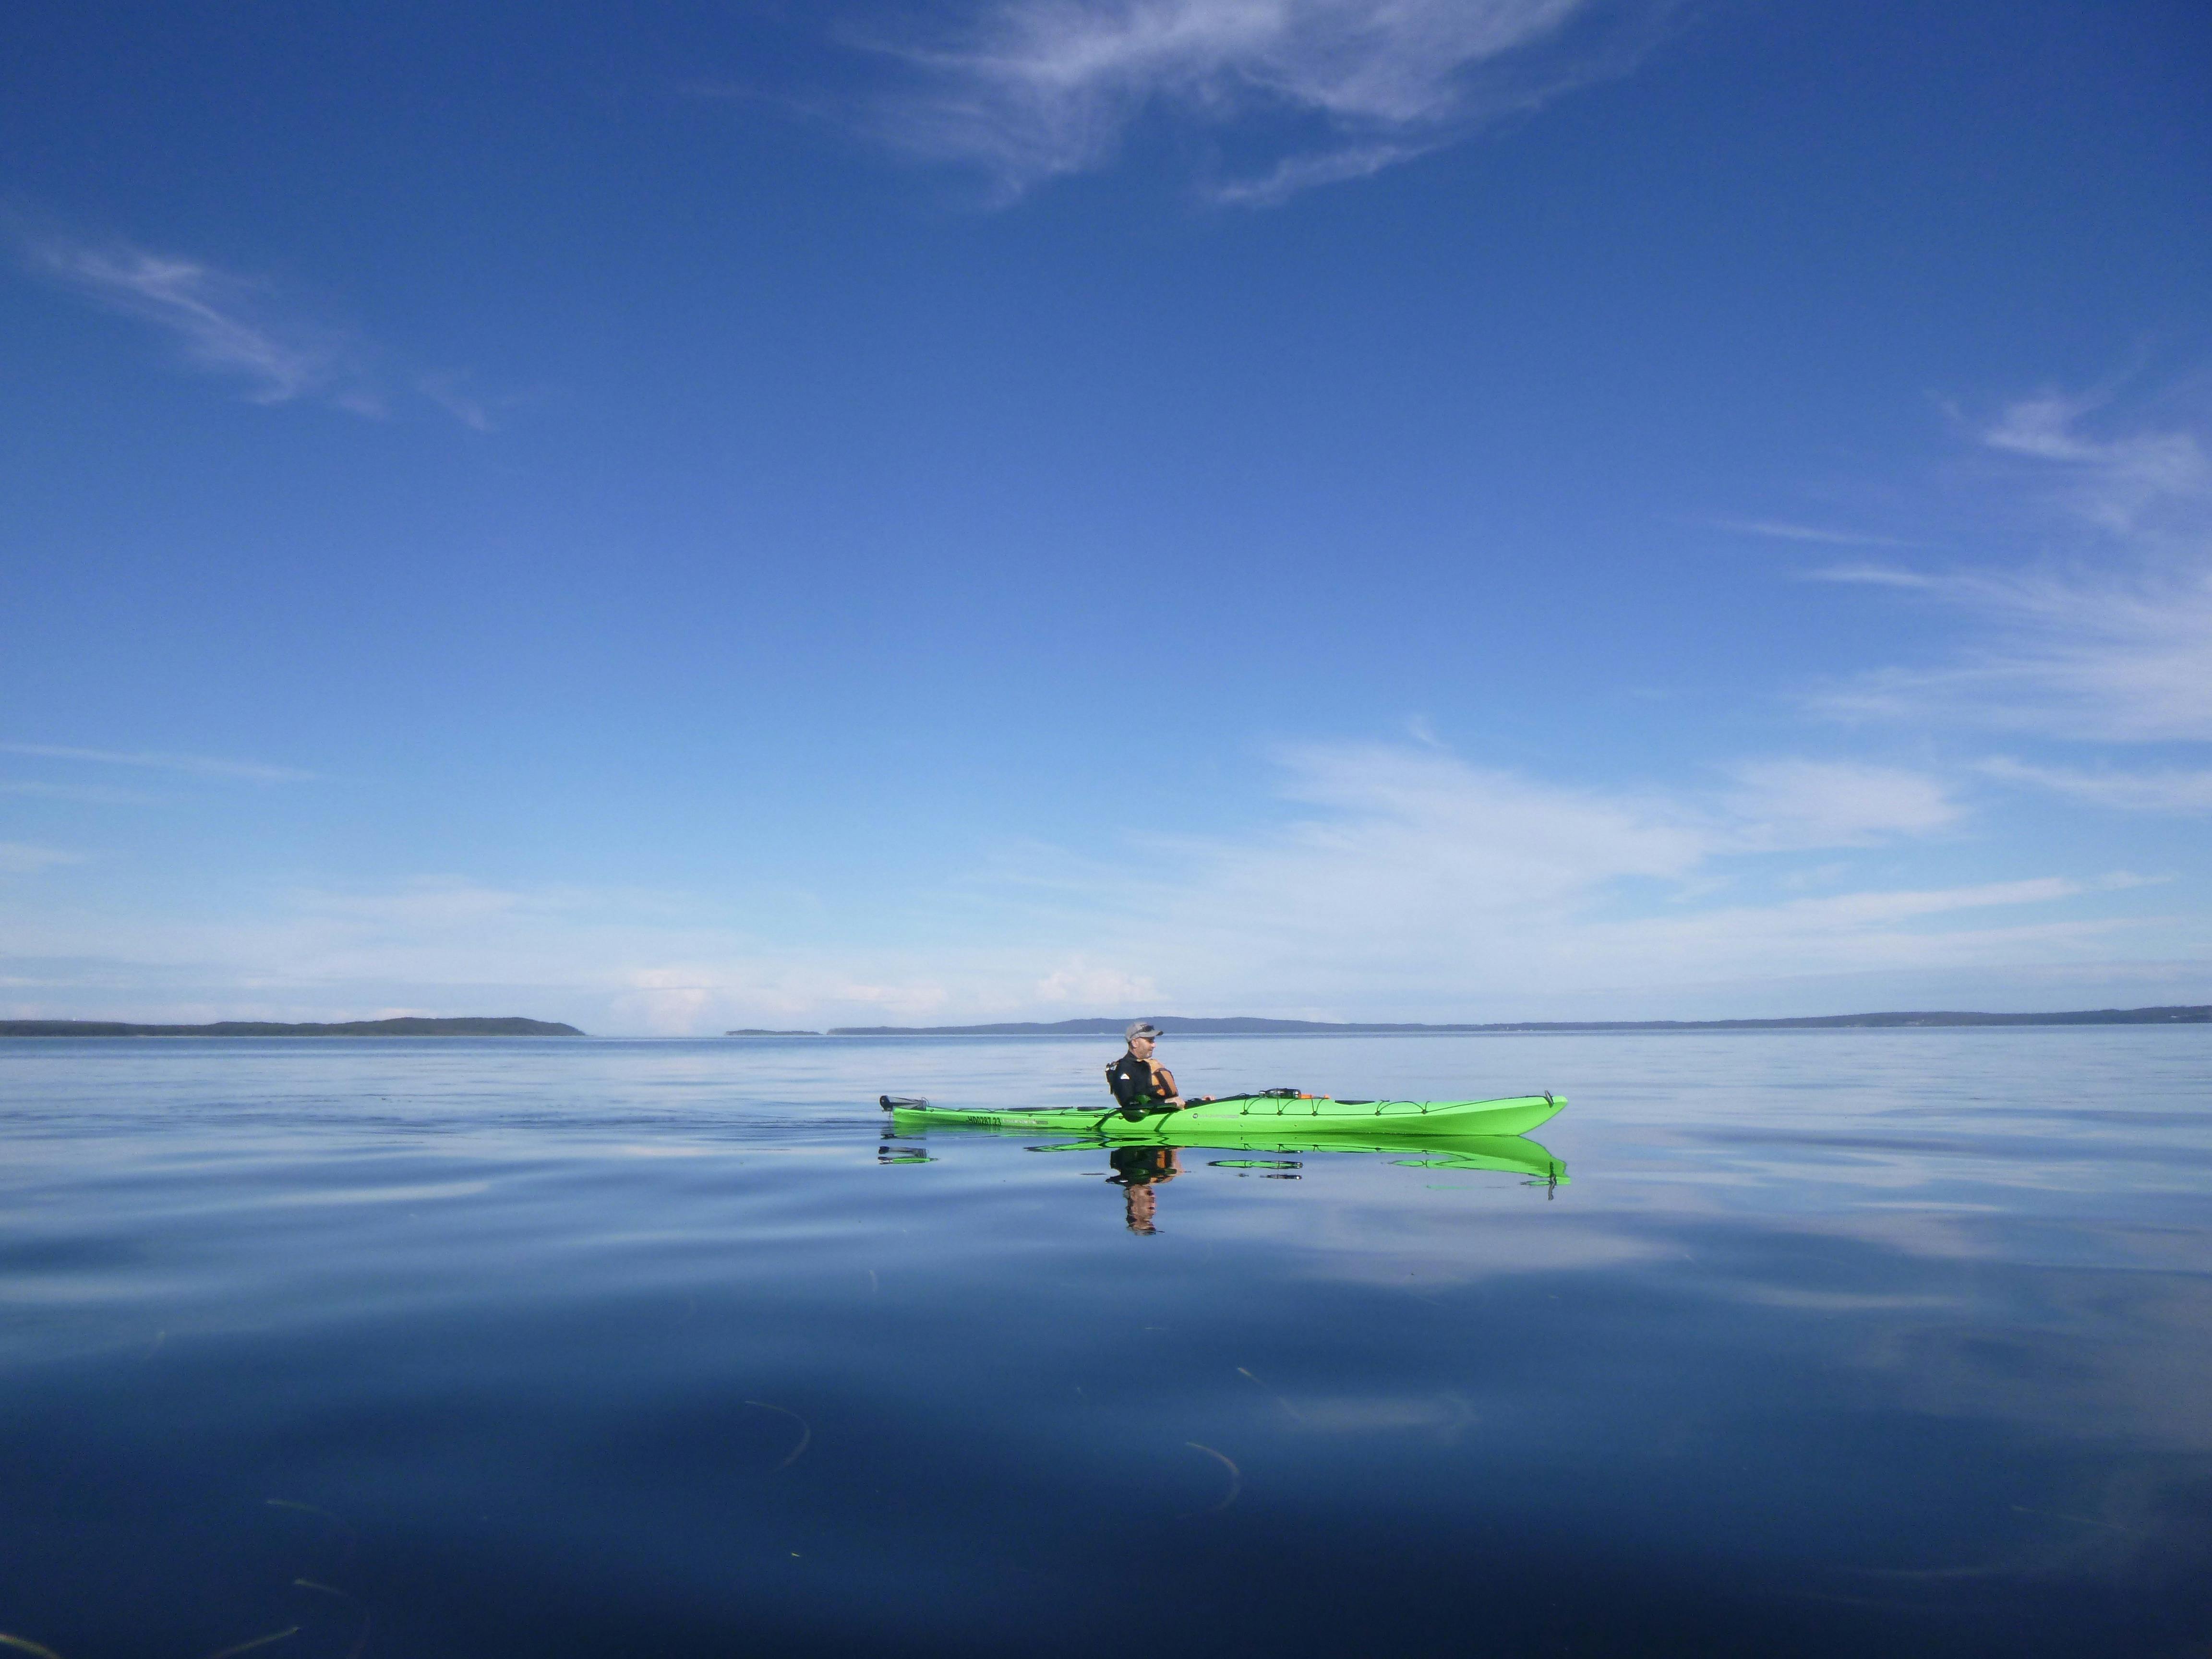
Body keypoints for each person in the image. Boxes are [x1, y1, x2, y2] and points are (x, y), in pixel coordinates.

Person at [1104, 1021, 1197, 1115]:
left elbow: (1163, 1099)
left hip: (1165, 1110)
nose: (1154, 1045)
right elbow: (1129, 1105)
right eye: (1150, 1041)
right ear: (1135, 1043)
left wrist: (1199, 1102)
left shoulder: (1147, 1065)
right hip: (1139, 1116)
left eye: (1153, 1041)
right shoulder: (1123, 1069)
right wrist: (1165, 1103)